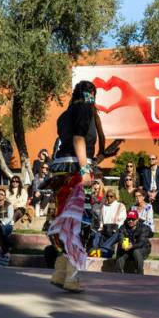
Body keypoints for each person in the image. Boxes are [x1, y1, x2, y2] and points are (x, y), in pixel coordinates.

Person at [46, 80, 108, 293]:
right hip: (75, 169)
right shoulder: (84, 109)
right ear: (91, 94)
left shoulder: (65, 115)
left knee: (66, 220)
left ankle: (60, 272)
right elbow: (79, 137)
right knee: (79, 222)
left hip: (62, 169)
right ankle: (70, 277)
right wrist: (84, 170)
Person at [114, 209, 153, 274]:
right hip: (128, 248)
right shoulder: (123, 227)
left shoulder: (144, 228)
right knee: (121, 250)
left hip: (142, 248)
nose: (130, 221)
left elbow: (141, 242)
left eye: (133, 219)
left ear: (137, 219)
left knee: (136, 252)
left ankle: (139, 273)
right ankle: (118, 273)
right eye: (129, 219)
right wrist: (123, 244)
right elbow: (121, 237)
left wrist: (132, 246)